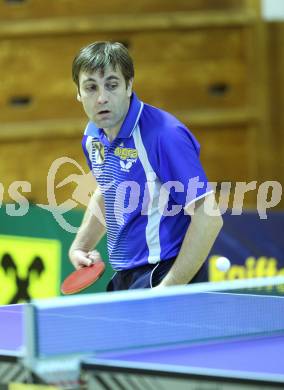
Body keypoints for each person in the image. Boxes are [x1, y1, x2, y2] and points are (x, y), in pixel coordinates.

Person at [69, 41, 223, 291]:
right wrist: (80, 246)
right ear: (78, 93)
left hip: (164, 274)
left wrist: (167, 288)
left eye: (112, 85)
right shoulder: (92, 137)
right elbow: (108, 193)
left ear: (129, 85)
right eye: (90, 88)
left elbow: (209, 217)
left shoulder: (164, 135)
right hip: (125, 276)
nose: (101, 98)